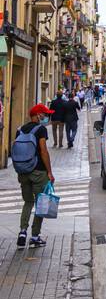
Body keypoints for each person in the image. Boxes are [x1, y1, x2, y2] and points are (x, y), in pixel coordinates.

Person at [13, 103, 55, 249]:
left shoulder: (20, 130)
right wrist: (49, 172)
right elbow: (43, 151)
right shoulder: (41, 129)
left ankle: (22, 232)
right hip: (38, 172)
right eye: (44, 114)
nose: (46, 117)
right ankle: (35, 236)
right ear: (38, 115)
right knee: (41, 204)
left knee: (28, 202)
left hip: (23, 171)